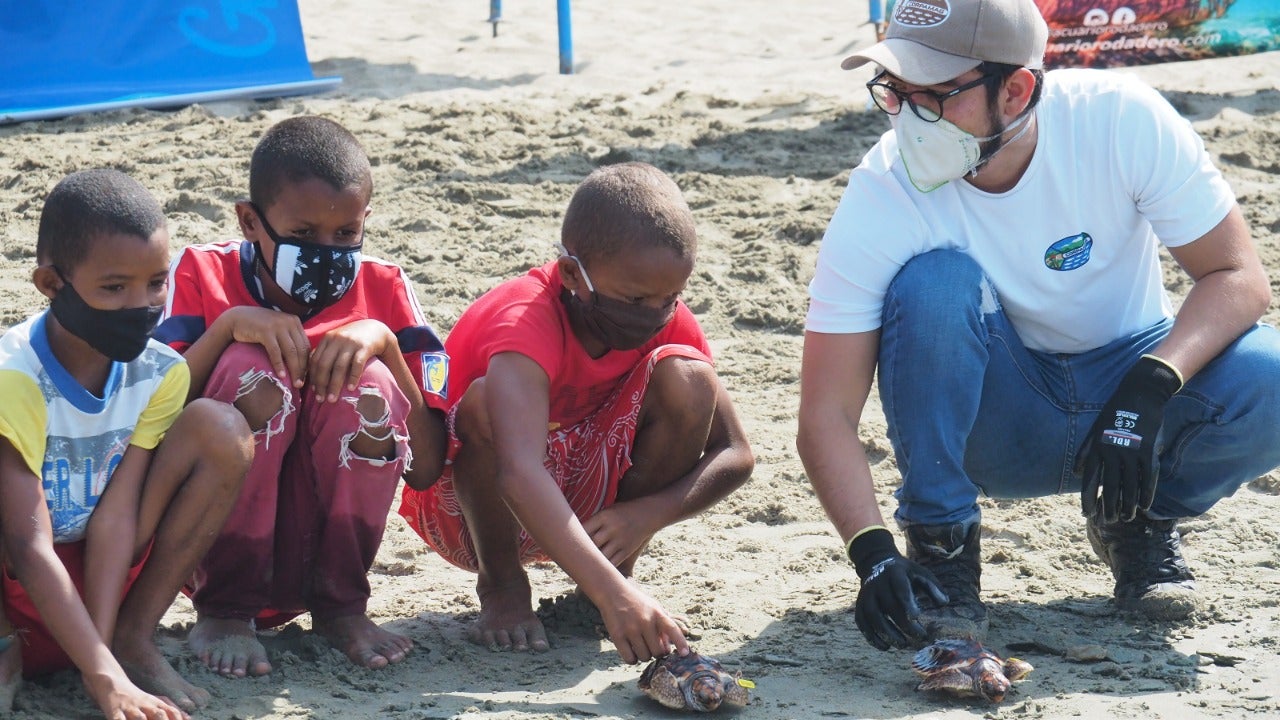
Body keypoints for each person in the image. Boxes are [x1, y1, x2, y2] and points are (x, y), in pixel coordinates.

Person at [797, 0, 1280, 653]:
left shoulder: (1117, 119)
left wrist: (1152, 384)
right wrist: (873, 551)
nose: (912, 117)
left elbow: (1239, 276)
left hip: (1129, 400)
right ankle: (943, 551)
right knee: (935, 283)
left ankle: (1138, 523)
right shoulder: (885, 188)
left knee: (1271, 377)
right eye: (896, 92)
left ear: (1017, 89)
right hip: (1000, 422)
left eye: (936, 95)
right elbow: (825, 414)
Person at [398, 162, 755, 663]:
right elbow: (520, 471)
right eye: (635, 298)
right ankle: (503, 589)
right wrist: (616, 597)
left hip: (587, 500)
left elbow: (736, 453)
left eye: (670, 298)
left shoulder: (666, 316)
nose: (654, 314)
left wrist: (645, 516)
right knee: (484, 403)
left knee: (690, 378)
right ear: (571, 274)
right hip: (472, 512)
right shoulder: (525, 319)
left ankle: (607, 580)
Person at [154, 116, 450, 677]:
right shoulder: (201, 274)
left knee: (371, 389)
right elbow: (147, 424)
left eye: (345, 235)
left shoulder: (385, 288)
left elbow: (429, 466)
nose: (326, 251)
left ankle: (342, 607)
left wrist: (384, 344)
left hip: (327, 545)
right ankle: (227, 610)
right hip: (212, 546)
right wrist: (227, 329)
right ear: (249, 220)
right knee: (251, 368)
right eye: (304, 233)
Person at [0, 169, 253, 718]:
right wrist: (101, 678)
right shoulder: (14, 377)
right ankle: (5, 653)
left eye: (156, 284)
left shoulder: (159, 373)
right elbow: (27, 545)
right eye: (114, 288)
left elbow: (117, 517)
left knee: (220, 430)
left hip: (95, 573)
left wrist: (104, 654)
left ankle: (129, 639)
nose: (141, 306)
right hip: (18, 576)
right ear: (51, 285)